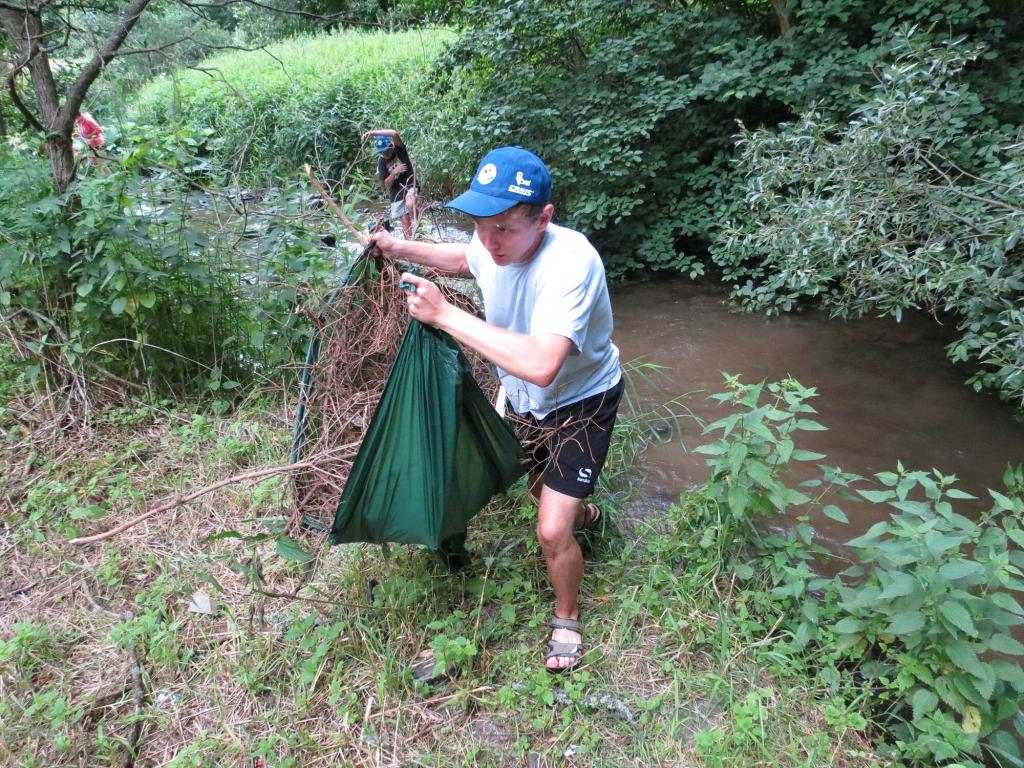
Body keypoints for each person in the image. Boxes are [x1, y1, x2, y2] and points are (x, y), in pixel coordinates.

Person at [369, 146, 623, 673]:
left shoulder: (570, 264)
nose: (490, 241)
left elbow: (542, 363)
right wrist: (398, 247)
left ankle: (567, 619)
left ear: (544, 218)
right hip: (526, 402)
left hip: (583, 400)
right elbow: (465, 258)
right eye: (481, 225)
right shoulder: (491, 244)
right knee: (541, 490)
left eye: (505, 228)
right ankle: (589, 517)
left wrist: (444, 316)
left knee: (551, 529)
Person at [361, 128, 418, 239]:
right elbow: (387, 184)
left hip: (410, 184)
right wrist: (394, 172)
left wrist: (373, 133)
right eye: (381, 152)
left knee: (410, 204)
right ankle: (411, 243)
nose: (384, 154)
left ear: (391, 146)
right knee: (406, 224)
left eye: (386, 150)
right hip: (396, 193)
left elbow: (394, 133)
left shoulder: (399, 150)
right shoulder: (381, 162)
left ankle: (419, 224)